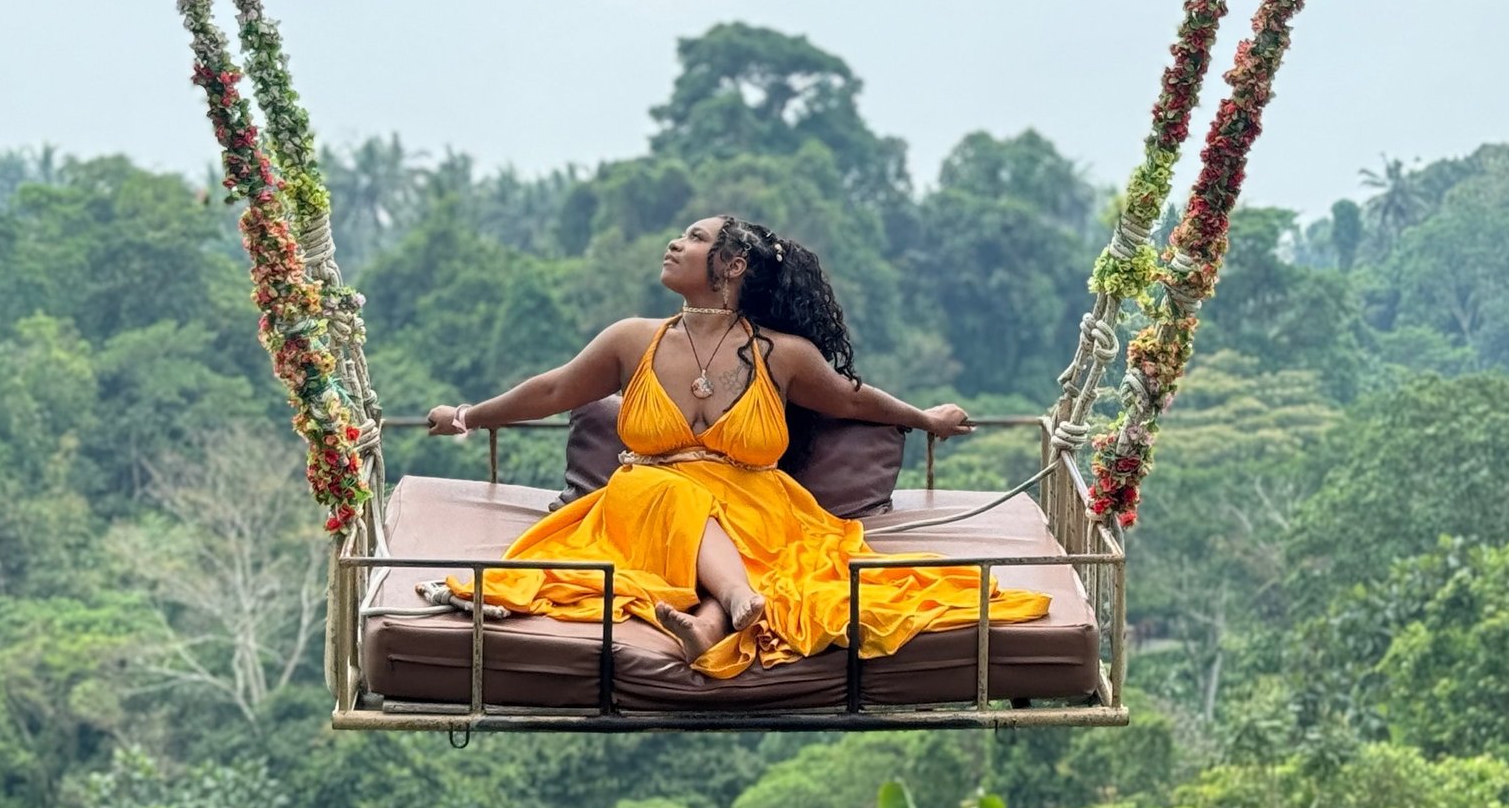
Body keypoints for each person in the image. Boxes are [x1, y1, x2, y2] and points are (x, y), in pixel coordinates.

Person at [426, 215, 1050, 677]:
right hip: (646, 506)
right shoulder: (631, 340)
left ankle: (707, 626)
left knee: (709, 520)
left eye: (695, 238)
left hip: (756, 512)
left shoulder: (783, 355)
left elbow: (854, 400)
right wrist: (466, 416)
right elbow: (553, 389)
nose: (675, 243)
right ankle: (734, 599)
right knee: (665, 486)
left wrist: (927, 418)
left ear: (733, 267)